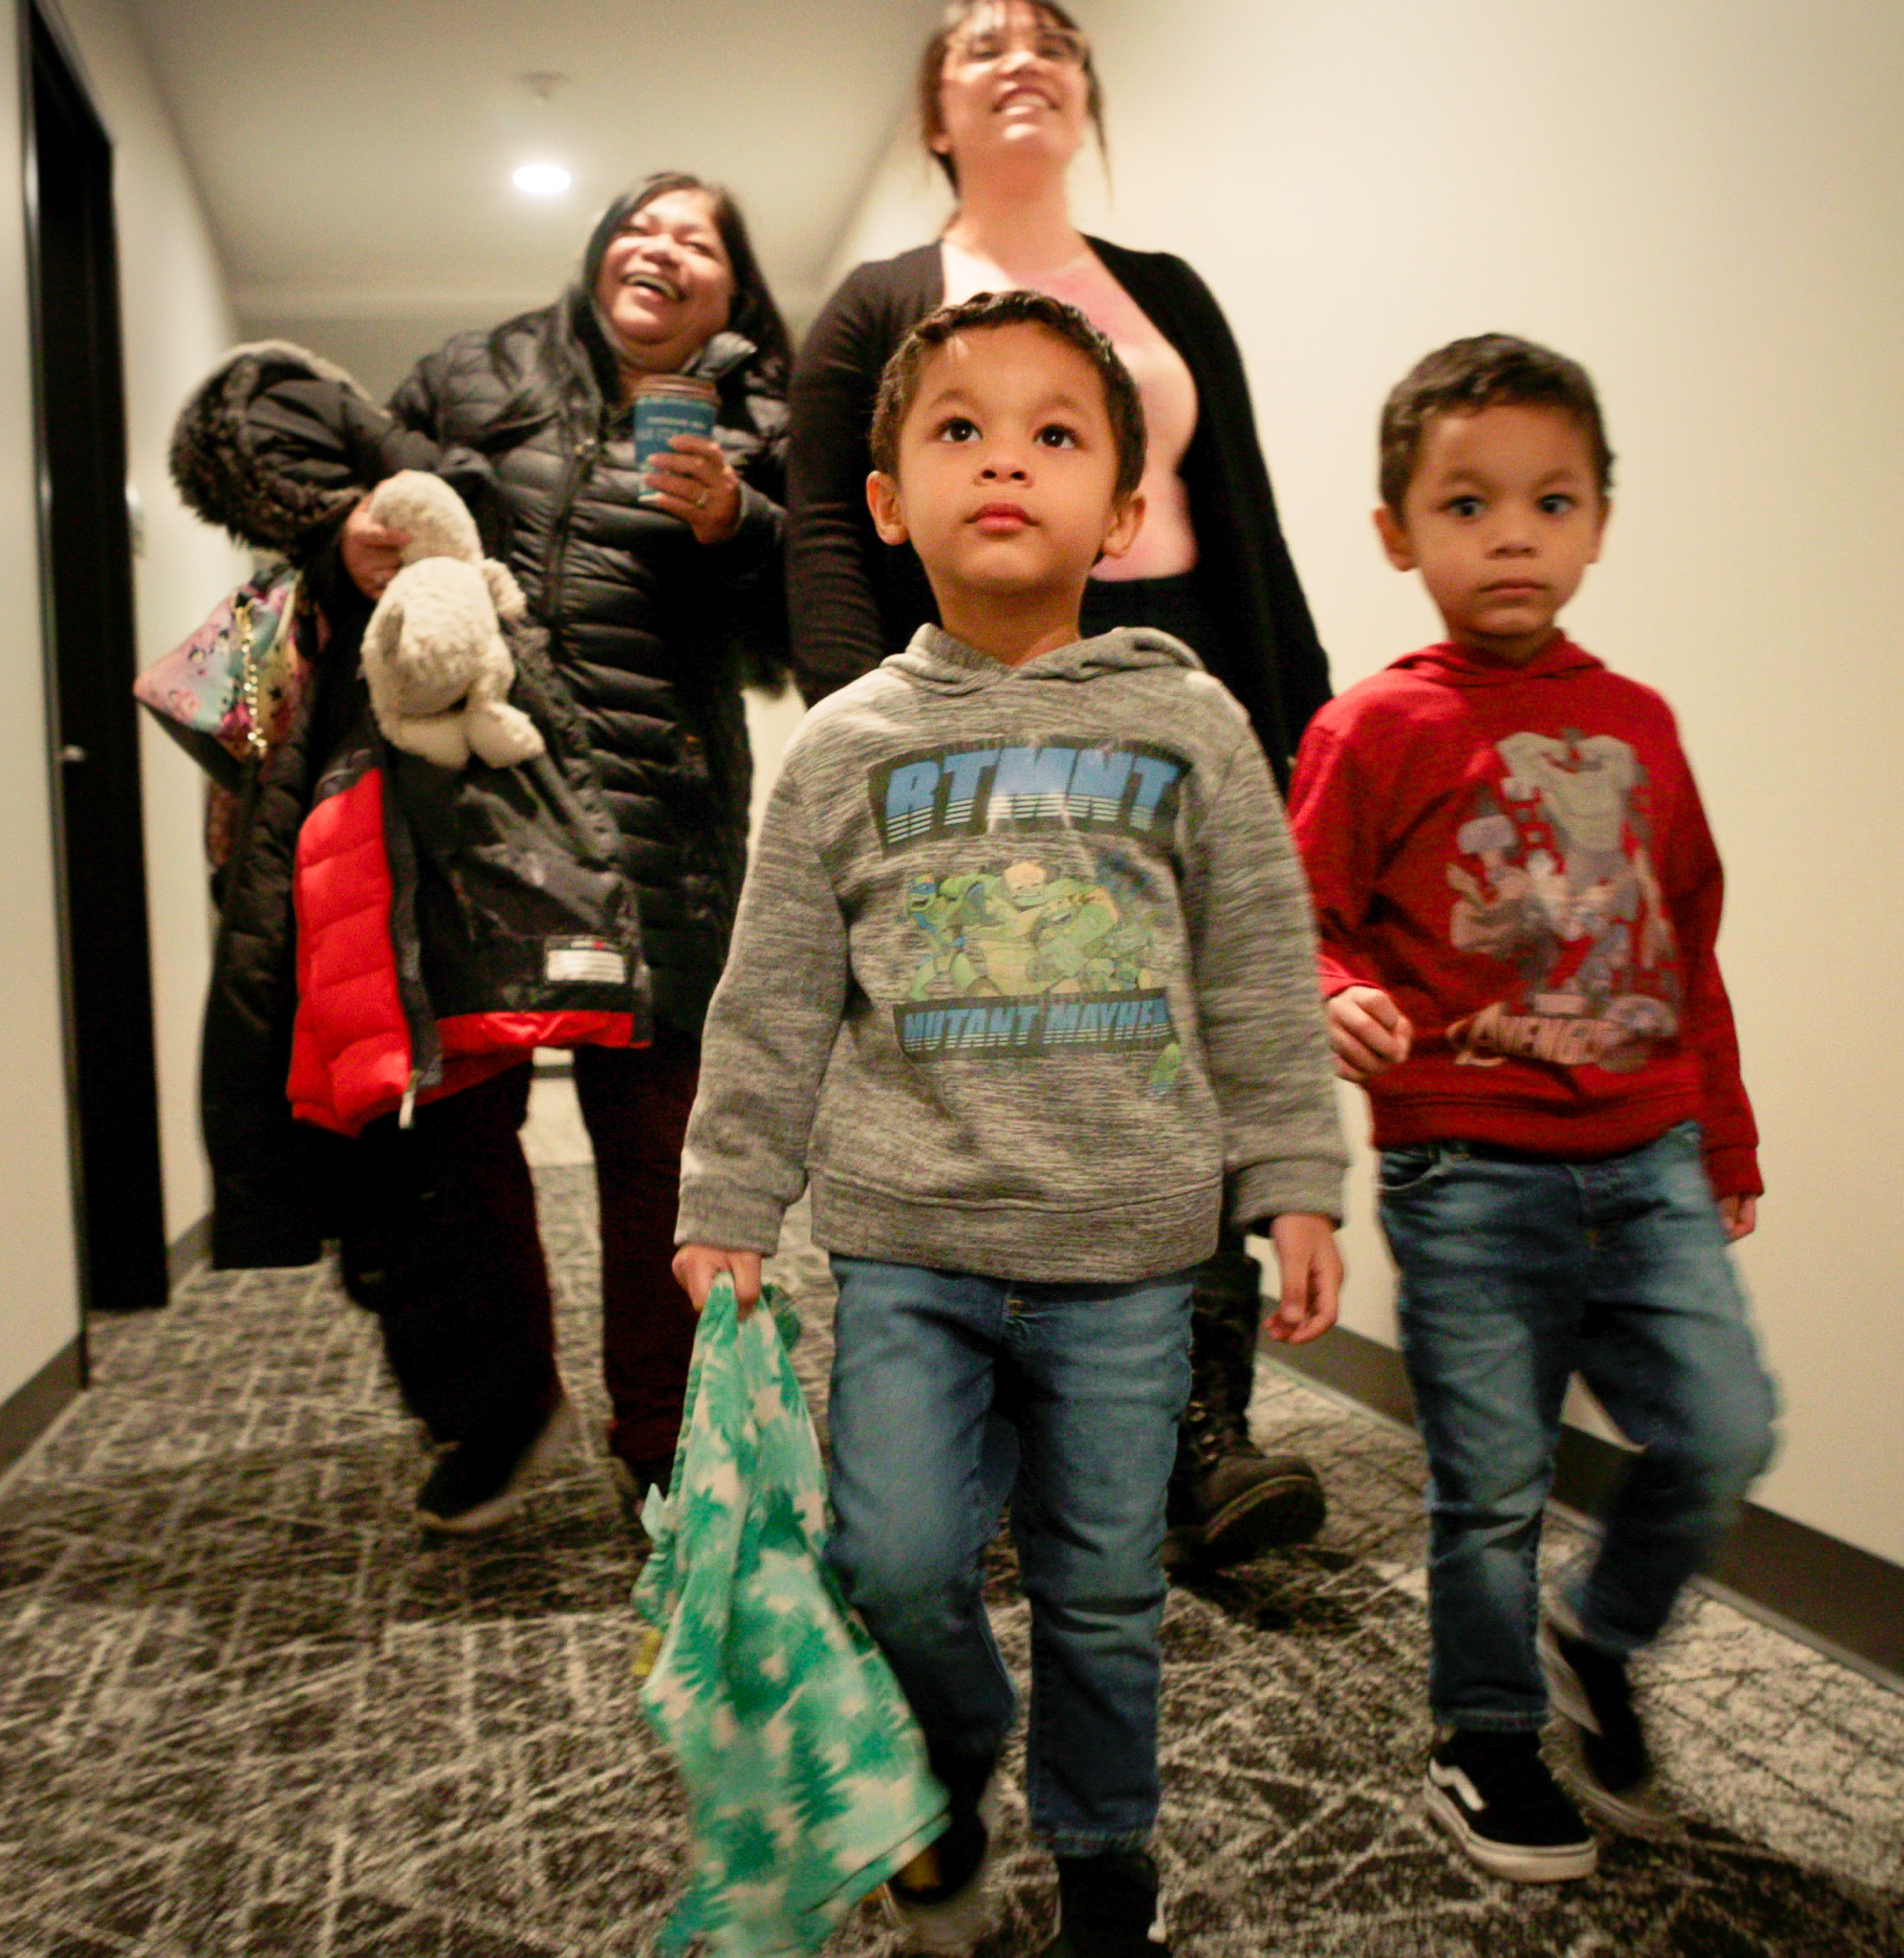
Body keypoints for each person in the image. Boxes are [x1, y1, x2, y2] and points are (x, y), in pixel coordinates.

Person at [674, 292, 1344, 1958]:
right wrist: (729, 1195)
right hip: (909, 1246)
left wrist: (1296, 1181)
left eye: (1057, 434)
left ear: (1121, 512)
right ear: (889, 498)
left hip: (1128, 1253)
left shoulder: (1188, 725)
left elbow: (1263, 965)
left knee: (1106, 1587)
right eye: (960, 430)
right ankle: (947, 1767)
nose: (1006, 462)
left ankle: (1109, 1853)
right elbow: (770, 997)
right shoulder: (843, 750)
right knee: (897, 1565)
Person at [786, 0, 1334, 1568]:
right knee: (1029, 1018)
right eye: (979, 42)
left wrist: (1312, 750)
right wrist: (877, 734)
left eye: (1052, 38)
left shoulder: (1166, 298)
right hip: (966, 687)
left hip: (1177, 674)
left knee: (1187, 1031)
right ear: (933, 114)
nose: (1020, 55)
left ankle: (1199, 1422)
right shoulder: (877, 304)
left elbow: (1250, 527)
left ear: (1086, 97)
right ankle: (998, 1391)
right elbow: (828, 533)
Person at [1287, 335, 1780, 1881]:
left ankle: (1598, 1635)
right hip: (1469, 1168)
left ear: (1599, 522)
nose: (1513, 534)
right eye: (1468, 503)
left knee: (1722, 1430)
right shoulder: (1373, 725)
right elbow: (1293, 914)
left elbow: (1686, 932)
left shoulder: (1641, 720)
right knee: (1488, 1481)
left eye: (1551, 501)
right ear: (1396, 534)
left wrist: (1729, 1135)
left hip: (1649, 1158)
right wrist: (1326, 988)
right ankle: (1485, 1733)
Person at [332, 171, 797, 1525]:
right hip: (469, 806)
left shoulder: (763, 416)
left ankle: (661, 1430)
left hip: (667, 813)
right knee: (459, 1132)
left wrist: (732, 520)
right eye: (640, 225)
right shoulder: (472, 373)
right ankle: (500, 1403)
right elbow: (369, 513)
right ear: (601, 256)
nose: (660, 248)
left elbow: (796, 638)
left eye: (697, 238)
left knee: (662, 1147)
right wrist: (356, 540)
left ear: (731, 288)